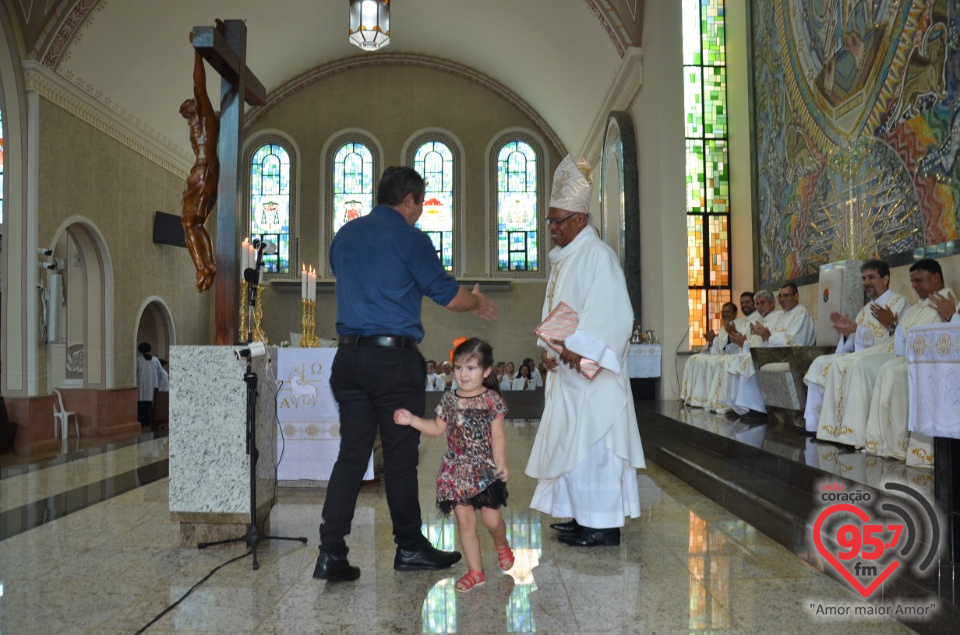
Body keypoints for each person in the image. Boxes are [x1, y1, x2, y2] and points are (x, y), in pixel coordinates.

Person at [314, 166, 499, 583]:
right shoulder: (410, 238)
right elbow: (448, 296)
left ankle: (331, 551)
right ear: (410, 199)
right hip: (392, 363)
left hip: (348, 360)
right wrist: (477, 303)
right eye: (420, 204)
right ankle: (410, 547)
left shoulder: (344, 237)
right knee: (399, 458)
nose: (419, 213)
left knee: (352, 454)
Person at [525, 155, 646, 547]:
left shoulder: (597, 256)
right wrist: (549, 349)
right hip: (567, 376)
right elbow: (562, 314)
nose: (553, 229)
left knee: (594, 447)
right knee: (571, 446)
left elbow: (614, 316)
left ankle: (603, 525)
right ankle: (581, 515)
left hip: (592, 378)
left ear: (580, 219)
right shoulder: (566, 259)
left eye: (559, 221)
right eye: (550, 221)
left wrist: (576, 353)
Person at [393, 338, 514, 592]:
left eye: (471, 368)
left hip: (485, 471)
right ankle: (475, 571)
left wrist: (501, 461)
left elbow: (499, 435)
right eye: (459, 367)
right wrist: (412, 419)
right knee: (465, 521)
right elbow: (437, 428)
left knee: (492, 521)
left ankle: (502, 544)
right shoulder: (449, 399)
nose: (463, 374)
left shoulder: (492, 400)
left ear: (486, 371)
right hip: (456, 471)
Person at [817, 259, 955, 449]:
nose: (914, 286)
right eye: (912, 281)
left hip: (923, 363)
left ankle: (879, 440)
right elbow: (901, 339)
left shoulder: (946, 302)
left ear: (936, 278)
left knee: (880, 370)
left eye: (918, 281)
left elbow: (942, 340)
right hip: (898, 354)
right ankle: (840, 431)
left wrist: (951, 316)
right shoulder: (917, 307)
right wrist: (886, 327)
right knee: (842, 364)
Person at [802, 260, 908, 433]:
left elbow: (893, 341)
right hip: (860, 354)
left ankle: (849, 429)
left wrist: (856, 330)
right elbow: (852, 343)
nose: (866, 282)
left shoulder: (900, 303)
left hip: (881, 357)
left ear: (886, 279)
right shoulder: (865, 309)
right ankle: (817, 425)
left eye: (871, 277)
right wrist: (847, 333)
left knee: (845, 366)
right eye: (864, 278)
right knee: (820, 362)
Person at [180, 35, 220, 293]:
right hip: (209, 172)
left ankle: (201, 267)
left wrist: (199, 51)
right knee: (196, 223)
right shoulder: (206, 125)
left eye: (188, 112)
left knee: (187, 223)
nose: (187, 117)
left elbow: (199, 84)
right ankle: (209, 265)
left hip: (204, 170)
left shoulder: (205, 117)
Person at [136, 343, 169, 428]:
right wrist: (159, 387)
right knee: (151, 410)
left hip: (141, 390)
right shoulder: (155, 360)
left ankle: (143, 423)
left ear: (139, 350)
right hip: (152, 389)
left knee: (142, 411)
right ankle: (150, 424)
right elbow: (163, 374)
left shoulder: (138, 360)